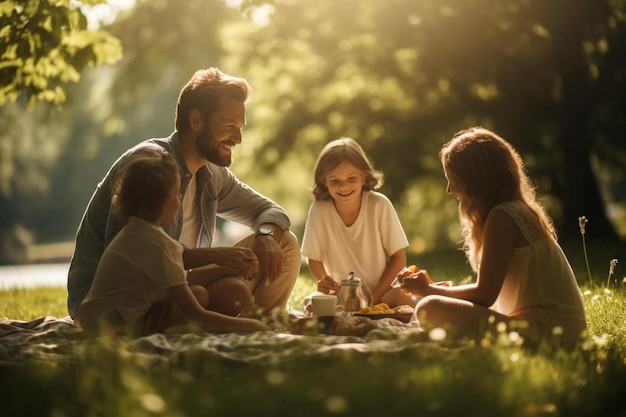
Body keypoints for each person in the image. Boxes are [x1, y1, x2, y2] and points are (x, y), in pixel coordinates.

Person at [67, 67, 301, 320]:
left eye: (240, 127)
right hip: (118, 300)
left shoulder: (212, 173)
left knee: (283, 243)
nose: (238, 139)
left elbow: (271, 211)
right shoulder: (149, 166)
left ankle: (261, 322)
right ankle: (239, 322)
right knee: (225, 293)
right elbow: (134, 254)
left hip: (179, 282)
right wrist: (216, 256)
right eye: (230, 126)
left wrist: (265, 235)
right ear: (197, 120)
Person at [400, 126, 587, 345]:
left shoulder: (503, 216)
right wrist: (442, 292)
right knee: (433, 303)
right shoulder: (513, 210)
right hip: (556, 328)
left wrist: (427, 290)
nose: (449, 189)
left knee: (428, 308)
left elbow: (484, 296)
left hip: (548, 333)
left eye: (453, 178)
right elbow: (489, 292)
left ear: (474, 179)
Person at [78, 148, 270, 336]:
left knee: (214, 290)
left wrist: (232, 268)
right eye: (176, 194)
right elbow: (197, 313)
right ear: (158, 201)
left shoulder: (137, 232)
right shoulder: (156, 244)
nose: (179, 201)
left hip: (98, 319)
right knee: (199, 296)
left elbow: (179, 275)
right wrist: (252, 326)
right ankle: (177, 332)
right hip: (115, 328)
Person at [300, 137, 415, 310]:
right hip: (343, 296)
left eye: (351, 178)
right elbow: (314, 259)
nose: (343, 186)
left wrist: (372, 299)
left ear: (364, 177)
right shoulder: (319, 209)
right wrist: (323, 279)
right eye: (335, 181)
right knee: (312, 303)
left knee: (403, 297)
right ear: (324, 181)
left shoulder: (379, 205)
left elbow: (399, 258)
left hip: (384, 291)